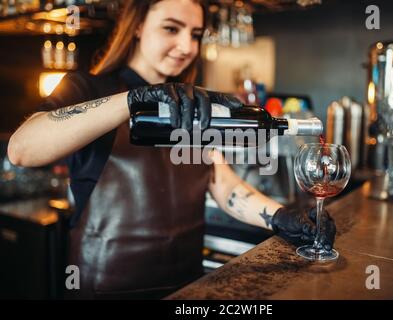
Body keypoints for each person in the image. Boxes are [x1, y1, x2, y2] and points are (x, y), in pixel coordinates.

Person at [7, 0, 336, 299]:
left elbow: (221, 182)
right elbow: (22, 150)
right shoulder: (89, 88)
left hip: (186, 290)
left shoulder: (192, 103)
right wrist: (134, 99)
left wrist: (279, 218)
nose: (187, 46)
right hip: (103, 289)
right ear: (136, 26)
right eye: (170, 29)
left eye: (195, 34)